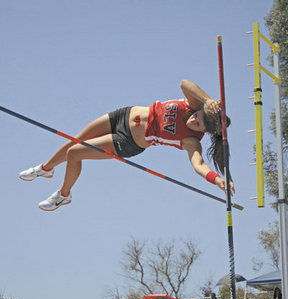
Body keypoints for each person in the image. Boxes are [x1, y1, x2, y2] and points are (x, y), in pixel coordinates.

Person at [19, 79, 234, 211]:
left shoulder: (191, 141)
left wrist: (216, 180)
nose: (193, 121)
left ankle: (64, 195)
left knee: (75, 153)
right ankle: (46, 169)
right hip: (124, 115)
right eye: (197, 117)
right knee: (74, 141)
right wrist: (207, 100)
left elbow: (198, 164)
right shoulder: (195, 103)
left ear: (203, 132)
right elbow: (184, 83)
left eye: (198, 125)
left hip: (128, 141)